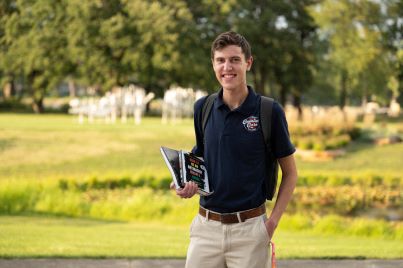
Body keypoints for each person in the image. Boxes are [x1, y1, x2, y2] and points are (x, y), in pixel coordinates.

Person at [170, 31, 297, 268]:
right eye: (220, 60)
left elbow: (290, 173)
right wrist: (184, 182)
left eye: (234, 60)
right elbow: (202, 156)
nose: (227, 67)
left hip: (250, 232)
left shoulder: (269, 111)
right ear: (213, 65)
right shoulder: (203, 107)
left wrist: (271, 224)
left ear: (248, 63)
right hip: (205, 229)